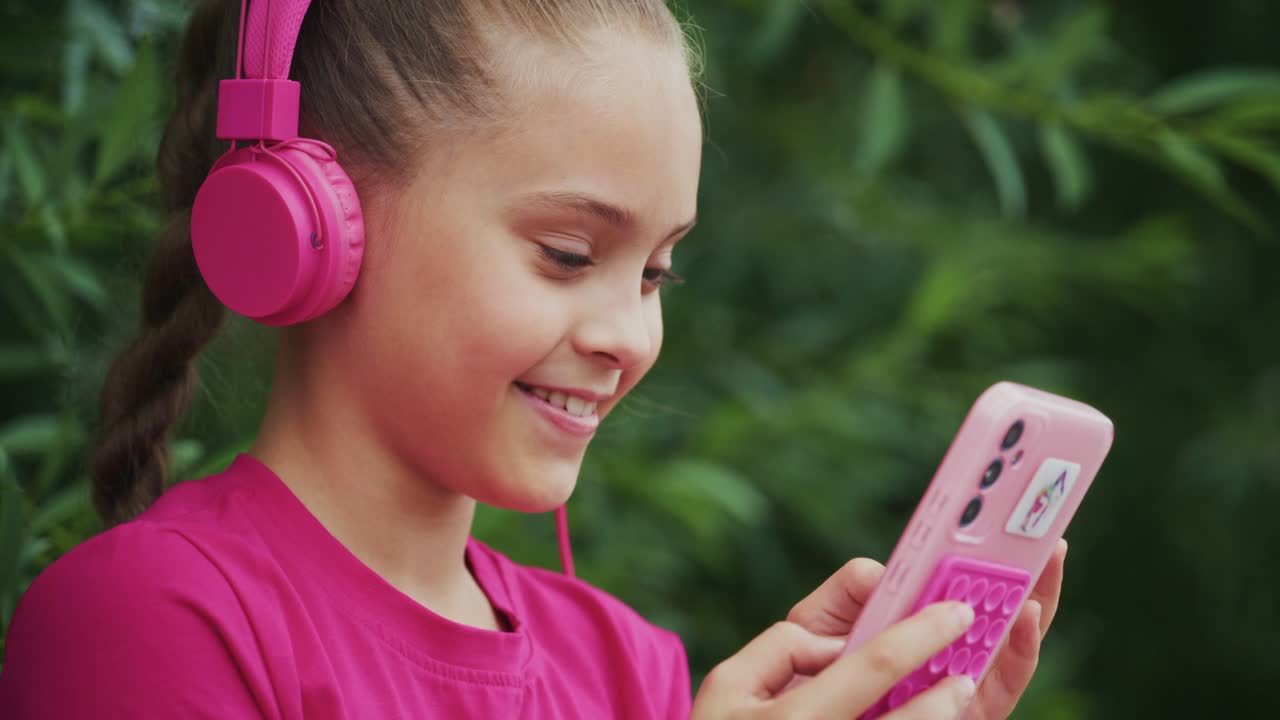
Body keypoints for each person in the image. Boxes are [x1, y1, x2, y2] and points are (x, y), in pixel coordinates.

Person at [0, 1, 1068, 717]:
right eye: (568, 254)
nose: (628, 334)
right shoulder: (151, 618)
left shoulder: (629, 670)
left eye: (655, 274)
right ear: (309, 225)